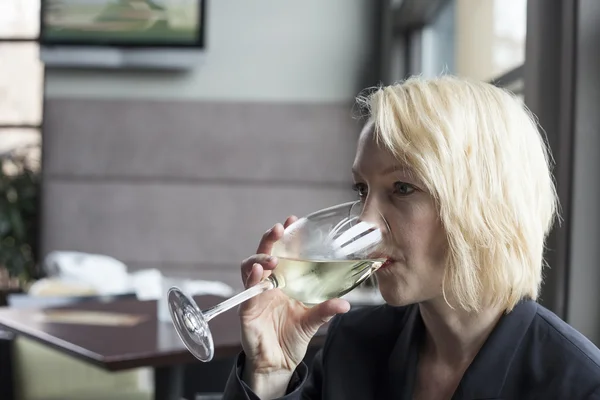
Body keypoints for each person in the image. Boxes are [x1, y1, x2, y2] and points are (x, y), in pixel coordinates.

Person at [222, 76, 600, 399]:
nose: (365, 222)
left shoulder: (579, 384)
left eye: (402, 188)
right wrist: (271, 373)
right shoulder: (352, 344)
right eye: (361, 190)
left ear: (485, 206)